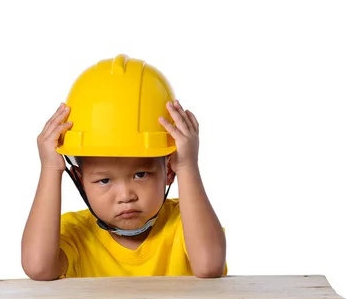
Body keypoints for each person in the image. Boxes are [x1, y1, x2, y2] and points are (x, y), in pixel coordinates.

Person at [21, 54, 226, 280]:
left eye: (140, 174)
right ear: (80, 181)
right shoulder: (75, 234)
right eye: (104, 180)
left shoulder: (188, 223)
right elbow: (38, 268)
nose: (126, 195)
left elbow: (208, 265)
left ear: (168, 172)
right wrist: (50, 169)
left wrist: (187, 166)